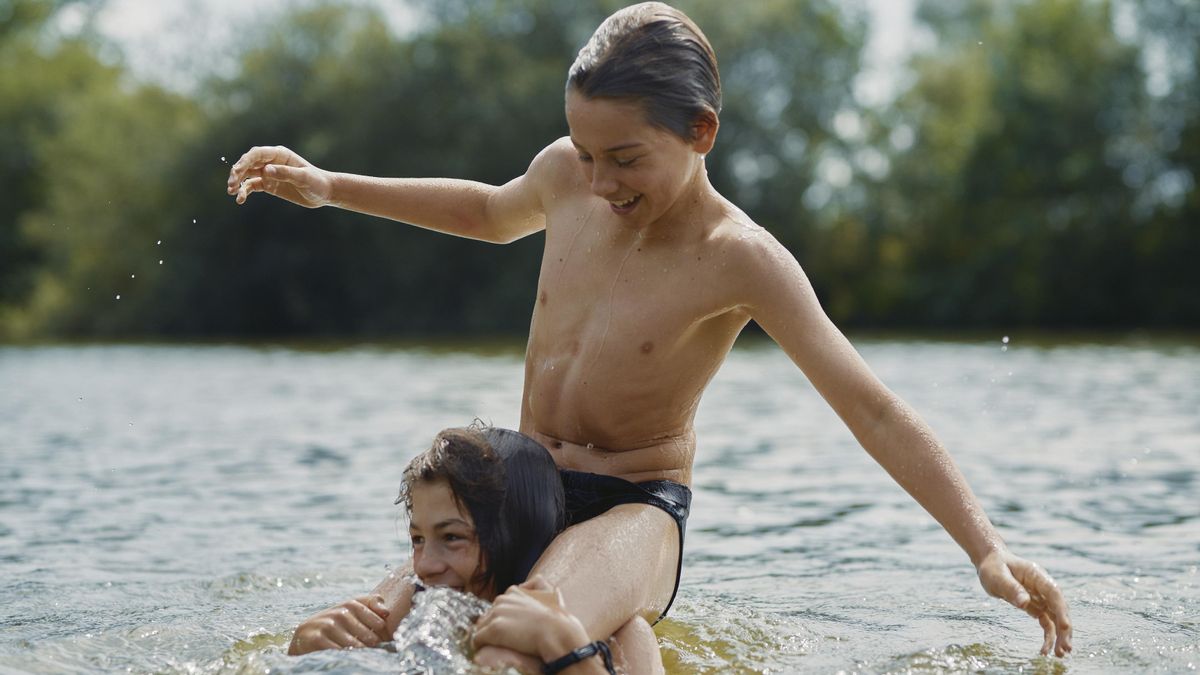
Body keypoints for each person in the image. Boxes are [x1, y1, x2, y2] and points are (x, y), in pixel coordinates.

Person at [228, 1, 1073, 663]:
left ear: (701, 131)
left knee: (515, 639)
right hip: (522, 488)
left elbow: (873, 409)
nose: (599, 183)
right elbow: (486, 211)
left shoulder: (740, 259)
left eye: (625, 158)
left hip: (632, 512)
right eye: (586, 153)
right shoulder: (565, 174)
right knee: (342, 638)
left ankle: (602, 638)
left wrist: (986, 549)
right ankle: (616, 648)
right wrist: (330, 186)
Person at [288, 425, 662, 674]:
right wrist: (304, 651)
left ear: (520, 536)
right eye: (418, 539)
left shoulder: (620, 640)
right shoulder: (408, 624)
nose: (425, 566)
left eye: (452, 538)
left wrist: (570, 653)